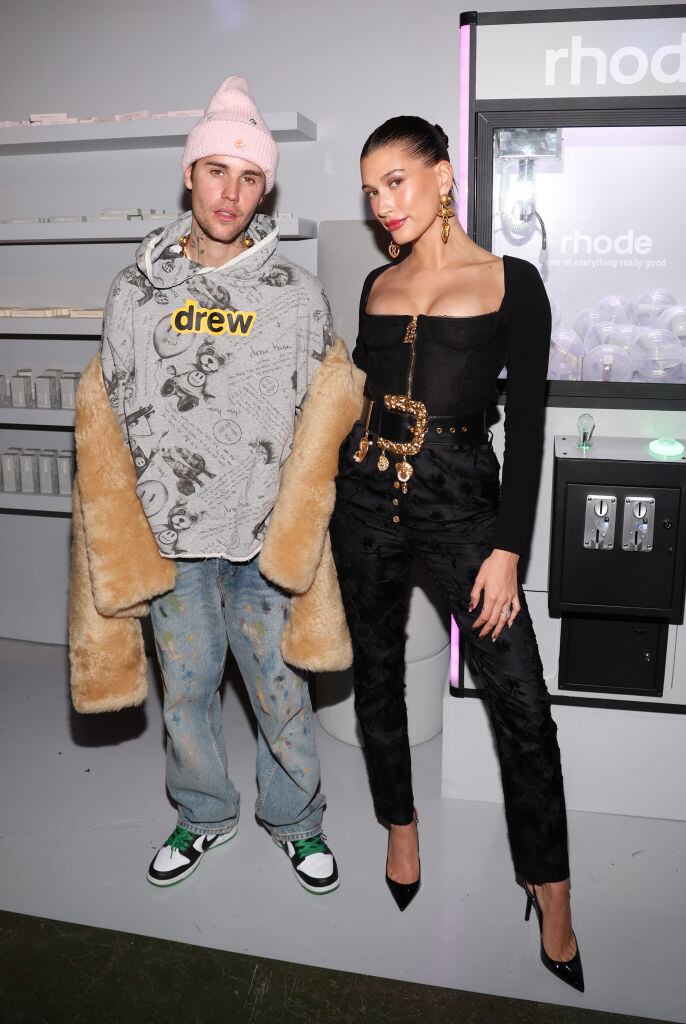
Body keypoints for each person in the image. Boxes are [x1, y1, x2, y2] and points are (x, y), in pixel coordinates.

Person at [329, 116, 583, 992]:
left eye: (394, 181)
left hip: (464, 508)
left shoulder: (513, 282)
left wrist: (509, 547)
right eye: (370, 190)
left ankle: (549, 887)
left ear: (444, 177)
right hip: (365, 497)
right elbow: (360, 398)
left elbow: (533, 425)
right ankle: (400, 825)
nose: (381, 204)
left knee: (521, 700)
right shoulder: (375, 282)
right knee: (377, 671)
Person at [100, 75, 339, 895]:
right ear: (189, 175)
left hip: (263, 536)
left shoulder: (296, 295)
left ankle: (296, 820)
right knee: (188, 691)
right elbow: (114, 412)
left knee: (280, 691)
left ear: (264, 186)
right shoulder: (137, 291)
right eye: (215, 172)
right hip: (173, 537)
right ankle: (204, 814)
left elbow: (323, 417)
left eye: (248, 177)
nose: (230, 193)